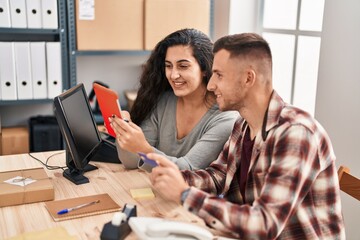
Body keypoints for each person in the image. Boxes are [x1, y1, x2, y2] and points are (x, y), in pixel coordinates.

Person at [148, 33, 345, 239]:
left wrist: (185, 194)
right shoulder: (243, 124)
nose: (211, 85)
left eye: (219, 75)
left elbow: (265, 224)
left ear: (248, 78)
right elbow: (218, 178)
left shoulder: (296, 134)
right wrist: (175, 176)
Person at [109, 28, 238, 171]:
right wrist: (124, 133)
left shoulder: (225, 118)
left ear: (205, 69)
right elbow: (132, 163)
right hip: (159, 189)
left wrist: (143, 148)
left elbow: (189, 170)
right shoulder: (163, 101)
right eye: (168, 66)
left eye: (183, 66)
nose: (173, 75)